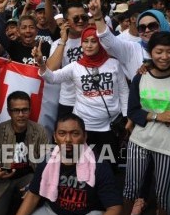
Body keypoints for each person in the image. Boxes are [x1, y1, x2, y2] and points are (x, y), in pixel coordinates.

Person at [33, 24, 129, 161]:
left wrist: (126, 117)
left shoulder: (114, 64)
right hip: (83, 129)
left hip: (110, 126)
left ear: (100, 43)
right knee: (82, 164)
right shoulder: (75, 67)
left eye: (93, 41)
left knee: (107, 165)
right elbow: (52, 78)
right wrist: (41, 63)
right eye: (85, 41)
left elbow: (124, 91)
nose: (89, 45)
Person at [123, 32, 170, 215]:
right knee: (130, 188)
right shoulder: (140, 77)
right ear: (151, 52)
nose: (164, 57)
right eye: (159, 51)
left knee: (164, 194)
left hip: (169, 146)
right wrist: (158, 116)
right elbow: (133, 111)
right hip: (139, 141)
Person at [15, 113, 123, 215]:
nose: (68, 139)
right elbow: (33, 195)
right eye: (62, 133)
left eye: (75, 133)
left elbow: (114, 208)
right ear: (55, 137)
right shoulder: (46, 162)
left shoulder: (99, 166)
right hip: (52, 213)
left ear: (85, 136)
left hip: (87, 214)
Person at [0, 91, 49, 215]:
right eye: (16, 110)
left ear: (30, 110)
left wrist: (36, 184)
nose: (21, 115)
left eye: (25, 110)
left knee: (36, 204)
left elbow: (47, 165)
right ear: (9, 112)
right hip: (3, 181)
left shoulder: (40, 131)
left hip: (30, 179)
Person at [46, 0, 89, 118]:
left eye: (84, 18)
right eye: (76, 18)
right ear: (66, 21)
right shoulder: (58, 44)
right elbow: (50, 69)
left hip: (92, 99)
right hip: (69, 100)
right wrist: (63, 41)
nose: (81, 21)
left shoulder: (95, 39)